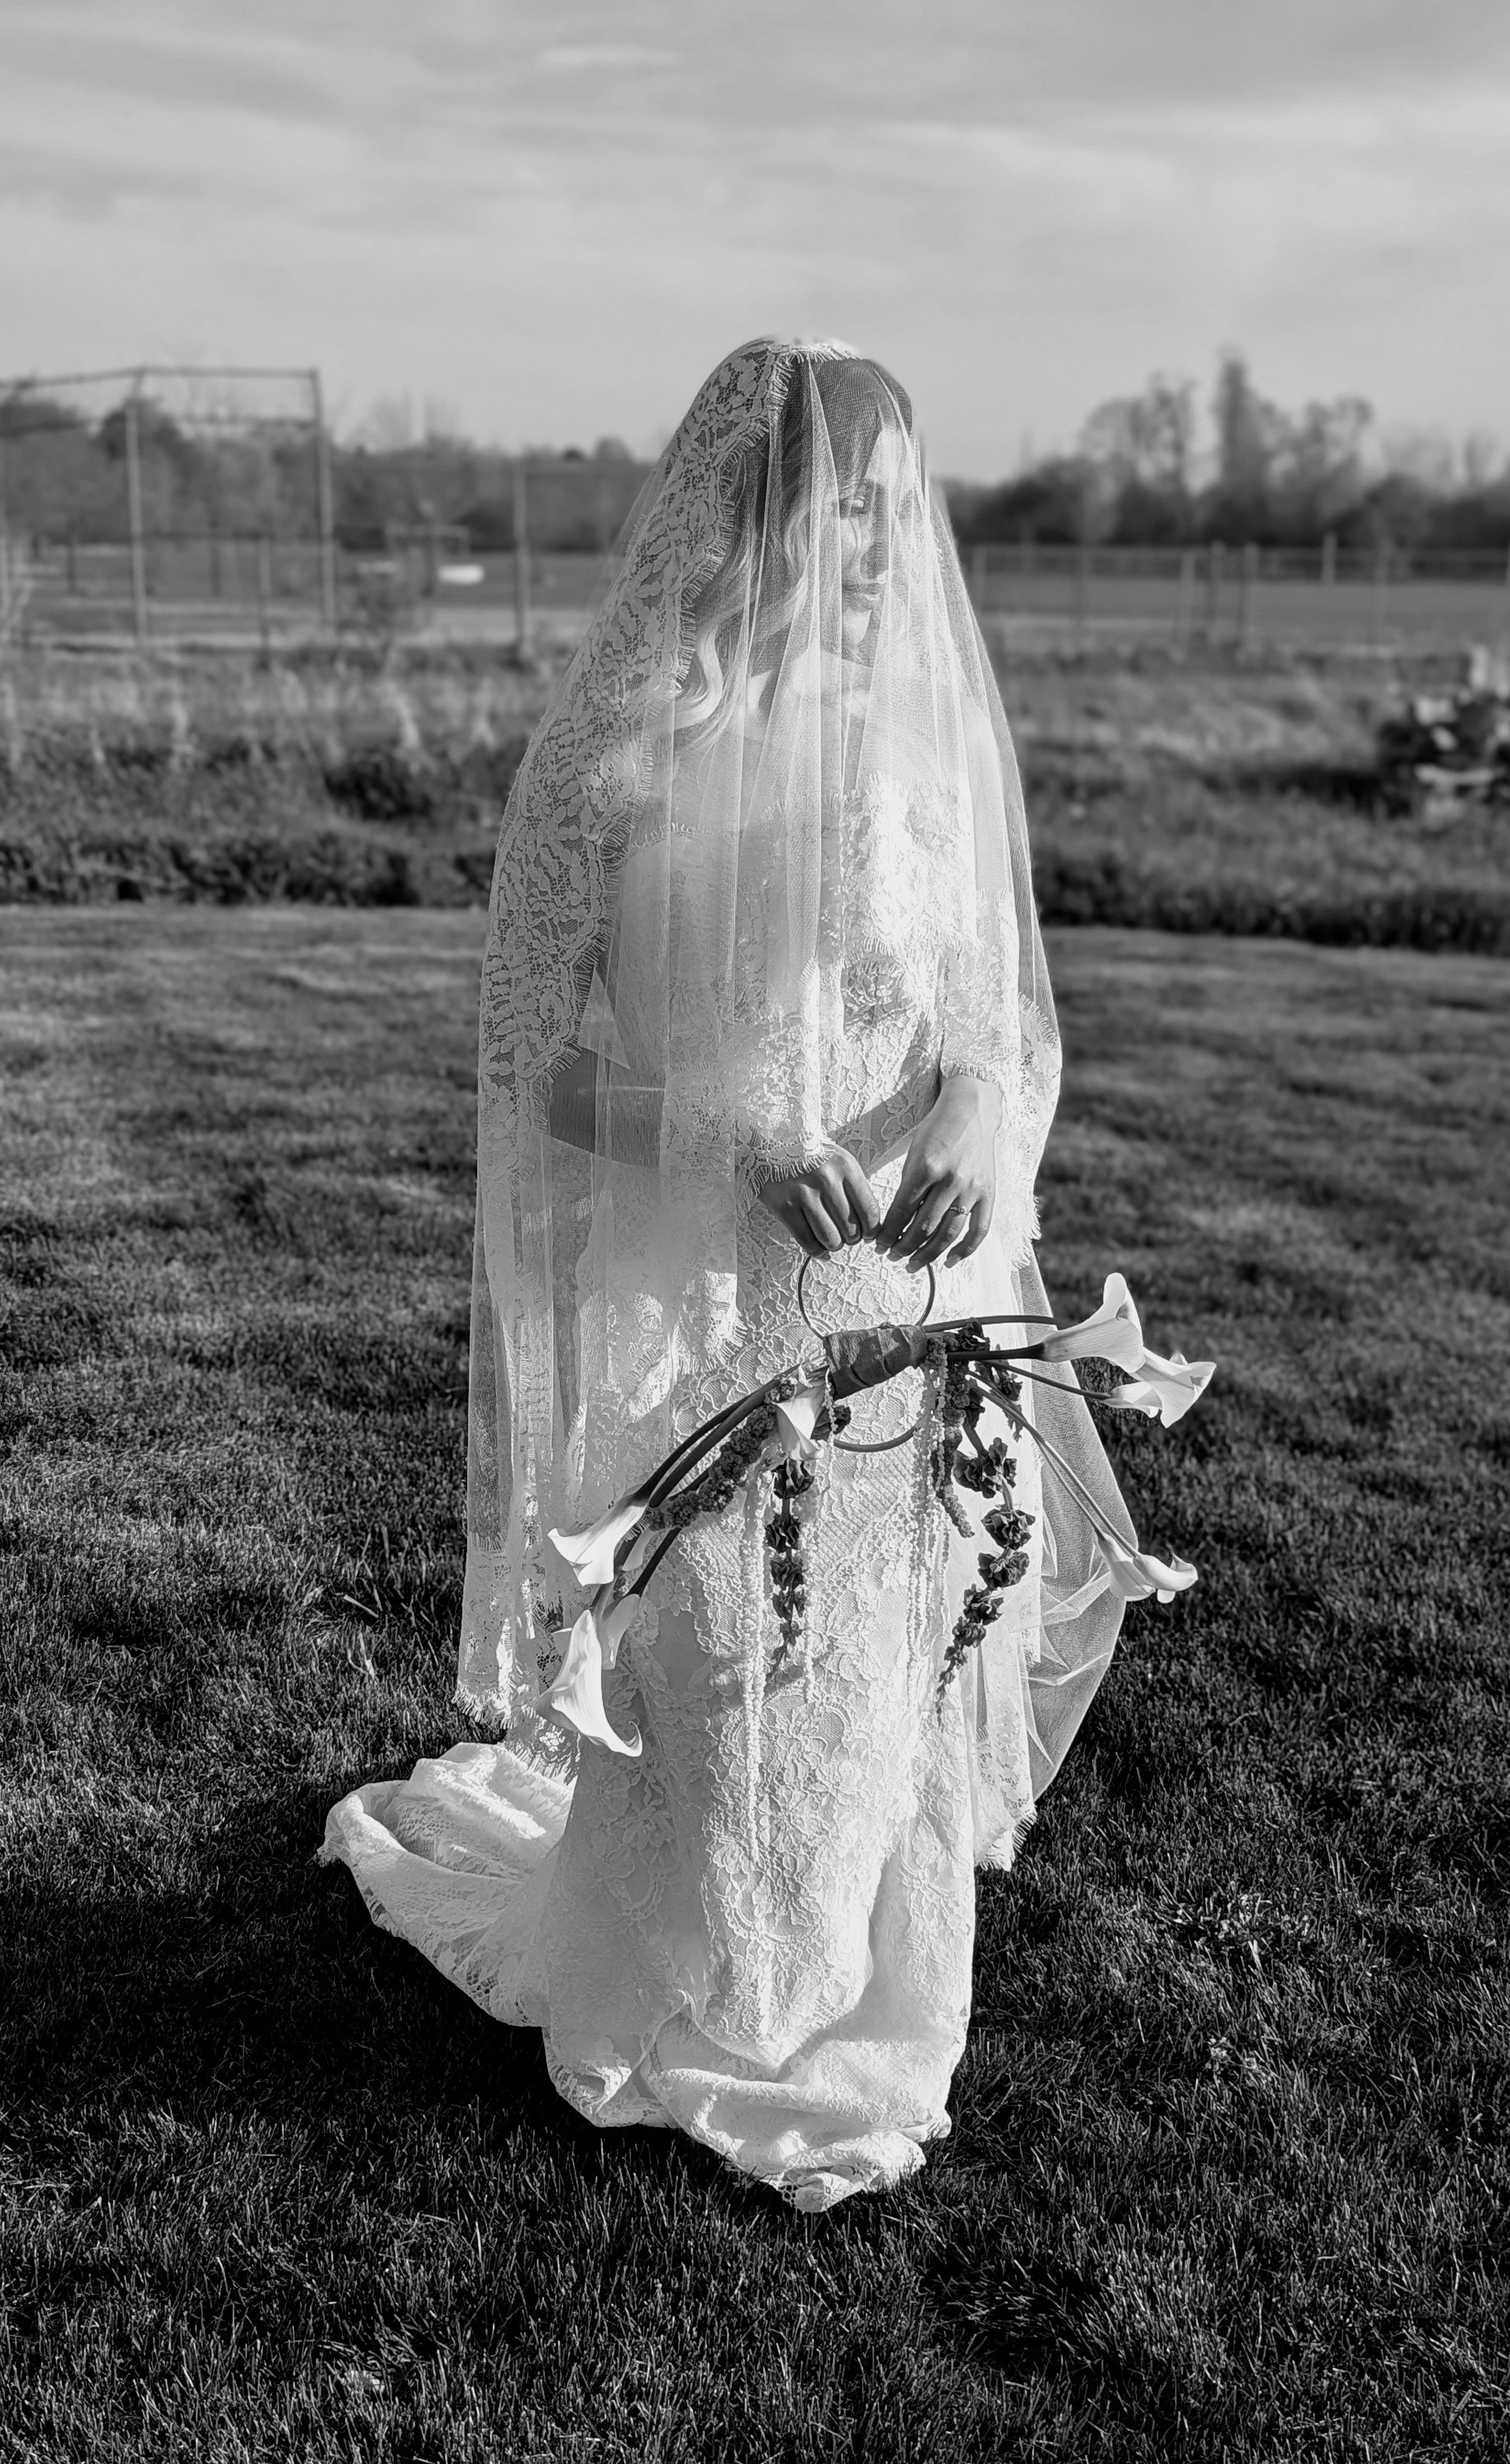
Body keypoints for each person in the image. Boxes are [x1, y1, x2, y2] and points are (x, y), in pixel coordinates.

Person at [322, 338, 1131, 2210]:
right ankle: (691, 1982)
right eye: (849, 507)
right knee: (712, 1661)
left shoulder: (922, 747)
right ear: (751, 515)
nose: (883, 546)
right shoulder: (621, 753)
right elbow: (532, 1064)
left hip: (899, 1300)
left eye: (898, 510)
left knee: (877, 1665)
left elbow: (993, 1030)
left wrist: (970, 1129)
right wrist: (735, 1145)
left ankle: (865, 2003)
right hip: (698, 1303)